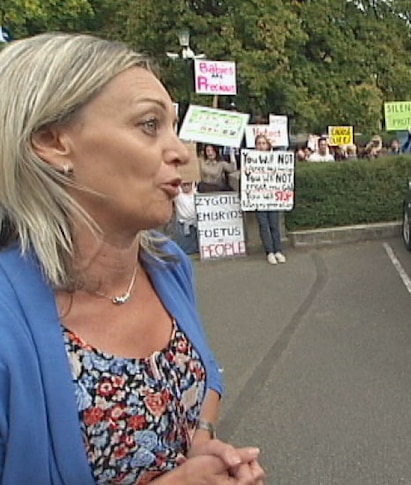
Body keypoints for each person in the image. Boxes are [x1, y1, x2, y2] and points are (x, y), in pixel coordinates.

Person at [0, 33, 265, 483]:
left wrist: (200, 438)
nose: (180, 152)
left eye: (173, 127)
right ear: (51, 140)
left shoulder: (167, 264)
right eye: (149, 124)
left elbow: (206, 372)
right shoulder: (9, 325)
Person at [253, 134, 287, 265]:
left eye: (263, 143)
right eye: (259, 143)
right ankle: (269, 252)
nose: (261, 146)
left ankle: (278, 250)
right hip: (258, 197)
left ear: (268, 145)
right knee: (263, 225)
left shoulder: (275, 158)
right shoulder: (250, 159)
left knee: (274, 224)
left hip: (272, 196)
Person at [173, 181, 199, 254]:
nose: (186, 186)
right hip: (183, 225)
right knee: (185, 248)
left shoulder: (196, 193)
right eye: (184, 185)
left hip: (196, 224)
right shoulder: (178, 195)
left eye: (188, 184)